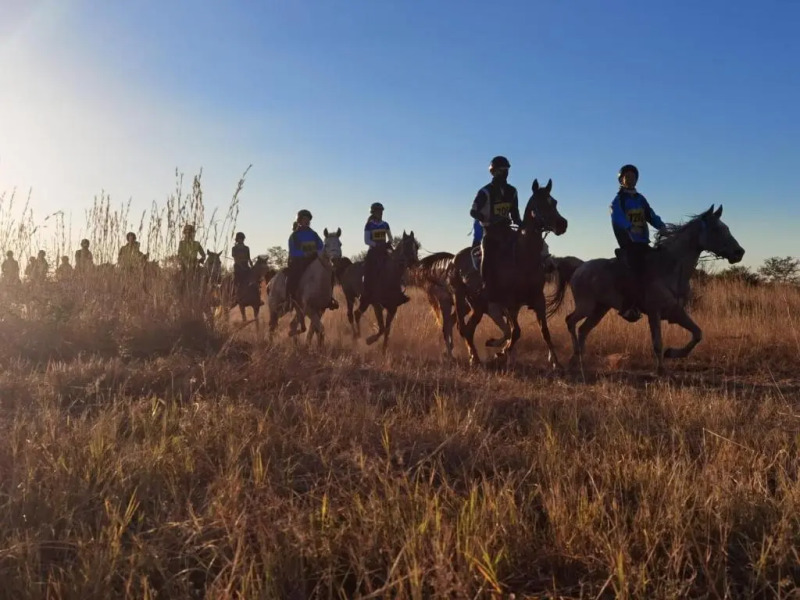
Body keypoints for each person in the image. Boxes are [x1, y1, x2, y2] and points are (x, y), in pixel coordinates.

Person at [610, 164, 667, 321]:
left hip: (643, 241)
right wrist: (629, 227)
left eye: (633, 177)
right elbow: (617, 217)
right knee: (635, 271)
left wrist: (661, 226)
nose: (630, 180)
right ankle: (628, 306)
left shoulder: (641, 199)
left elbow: (650, 215)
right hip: (629, 243)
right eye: (626, 177)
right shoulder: (618, 200)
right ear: (621, 180)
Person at [469, 155, 521, 302]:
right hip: (490, 232)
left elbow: (515, 214)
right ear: (494, 172)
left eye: (507, 170)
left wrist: (523, 225)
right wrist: (487, 219)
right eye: (502, 170)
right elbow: (473, 211)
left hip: (507, 230)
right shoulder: (485, 191)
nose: (505, 173)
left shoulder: (513, 191)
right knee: (488, 253)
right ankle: (486, 286)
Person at [285, 209, 337, 311]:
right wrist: (303, 254)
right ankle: (289, 300)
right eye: (305, 219)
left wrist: (318, 253)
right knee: (292, 277)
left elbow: (321, 246)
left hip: (313, 259)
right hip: (299, 261)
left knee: (330, 271)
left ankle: (329, 298)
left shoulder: (313, 234)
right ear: (299, 221)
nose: (307, 221)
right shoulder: (294, 236)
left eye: (308, 220)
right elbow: (293, 251)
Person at [362, 202, 409, 307]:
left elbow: (390, 237)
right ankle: (367, 292)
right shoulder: (369, 225)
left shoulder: (385, 224)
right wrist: (376, 245)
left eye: (381, 211)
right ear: (374, 213)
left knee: (395, 265)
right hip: (373, 250)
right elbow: (366, 240)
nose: (381, 213)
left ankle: (399, 292)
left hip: (384, 249)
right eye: (379, 212)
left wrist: (389, 243)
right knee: (368, 268)